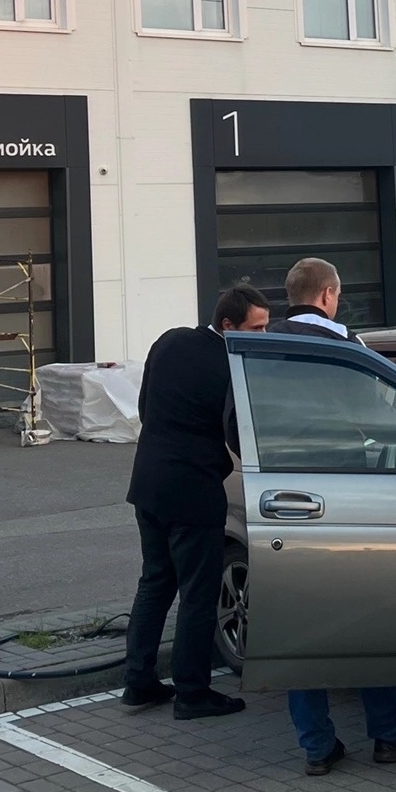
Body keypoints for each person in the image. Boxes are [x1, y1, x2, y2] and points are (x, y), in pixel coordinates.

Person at [272, 256, 396, 777]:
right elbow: (379, 423)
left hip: (282, 501)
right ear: (328, 294)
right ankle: (390, 736)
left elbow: (236, 425)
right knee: (366, 617)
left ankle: (317, 747)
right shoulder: (343, 346)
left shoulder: (259, 346)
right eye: (337, 295)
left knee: (298, 625)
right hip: (344, 496)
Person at [121, 284, 269, 717]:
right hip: (194, 492)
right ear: (228, 324)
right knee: (198, 593)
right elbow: (238, 434)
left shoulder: (169, 341)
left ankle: (138, 681)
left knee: (155, 581)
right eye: (256, 328)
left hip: (149, 483)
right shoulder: (232, 366)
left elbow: (146, 406)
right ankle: (192, 692)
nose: (263, 336)